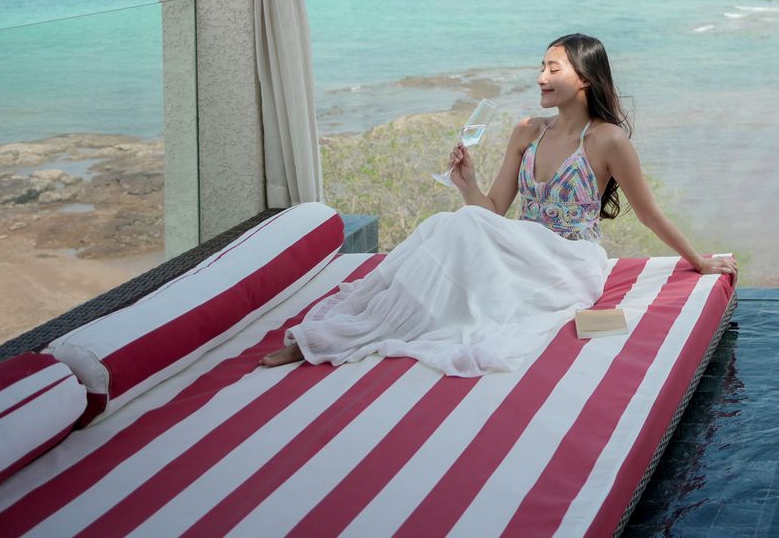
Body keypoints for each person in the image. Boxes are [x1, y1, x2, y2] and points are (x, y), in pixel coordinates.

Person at [258, 32, 736, 375]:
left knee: (456, 229)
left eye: (553, 69)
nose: (540, 77)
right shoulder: (527, 131)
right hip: (520, 246)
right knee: (455, 222)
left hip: (569, 261)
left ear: (585, 79)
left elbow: (649, 212)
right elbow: (492, 214)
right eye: (541, 67)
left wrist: (698, 261)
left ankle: (345, 336)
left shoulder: (608, 140)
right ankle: (346, 331)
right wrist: (468, 182)